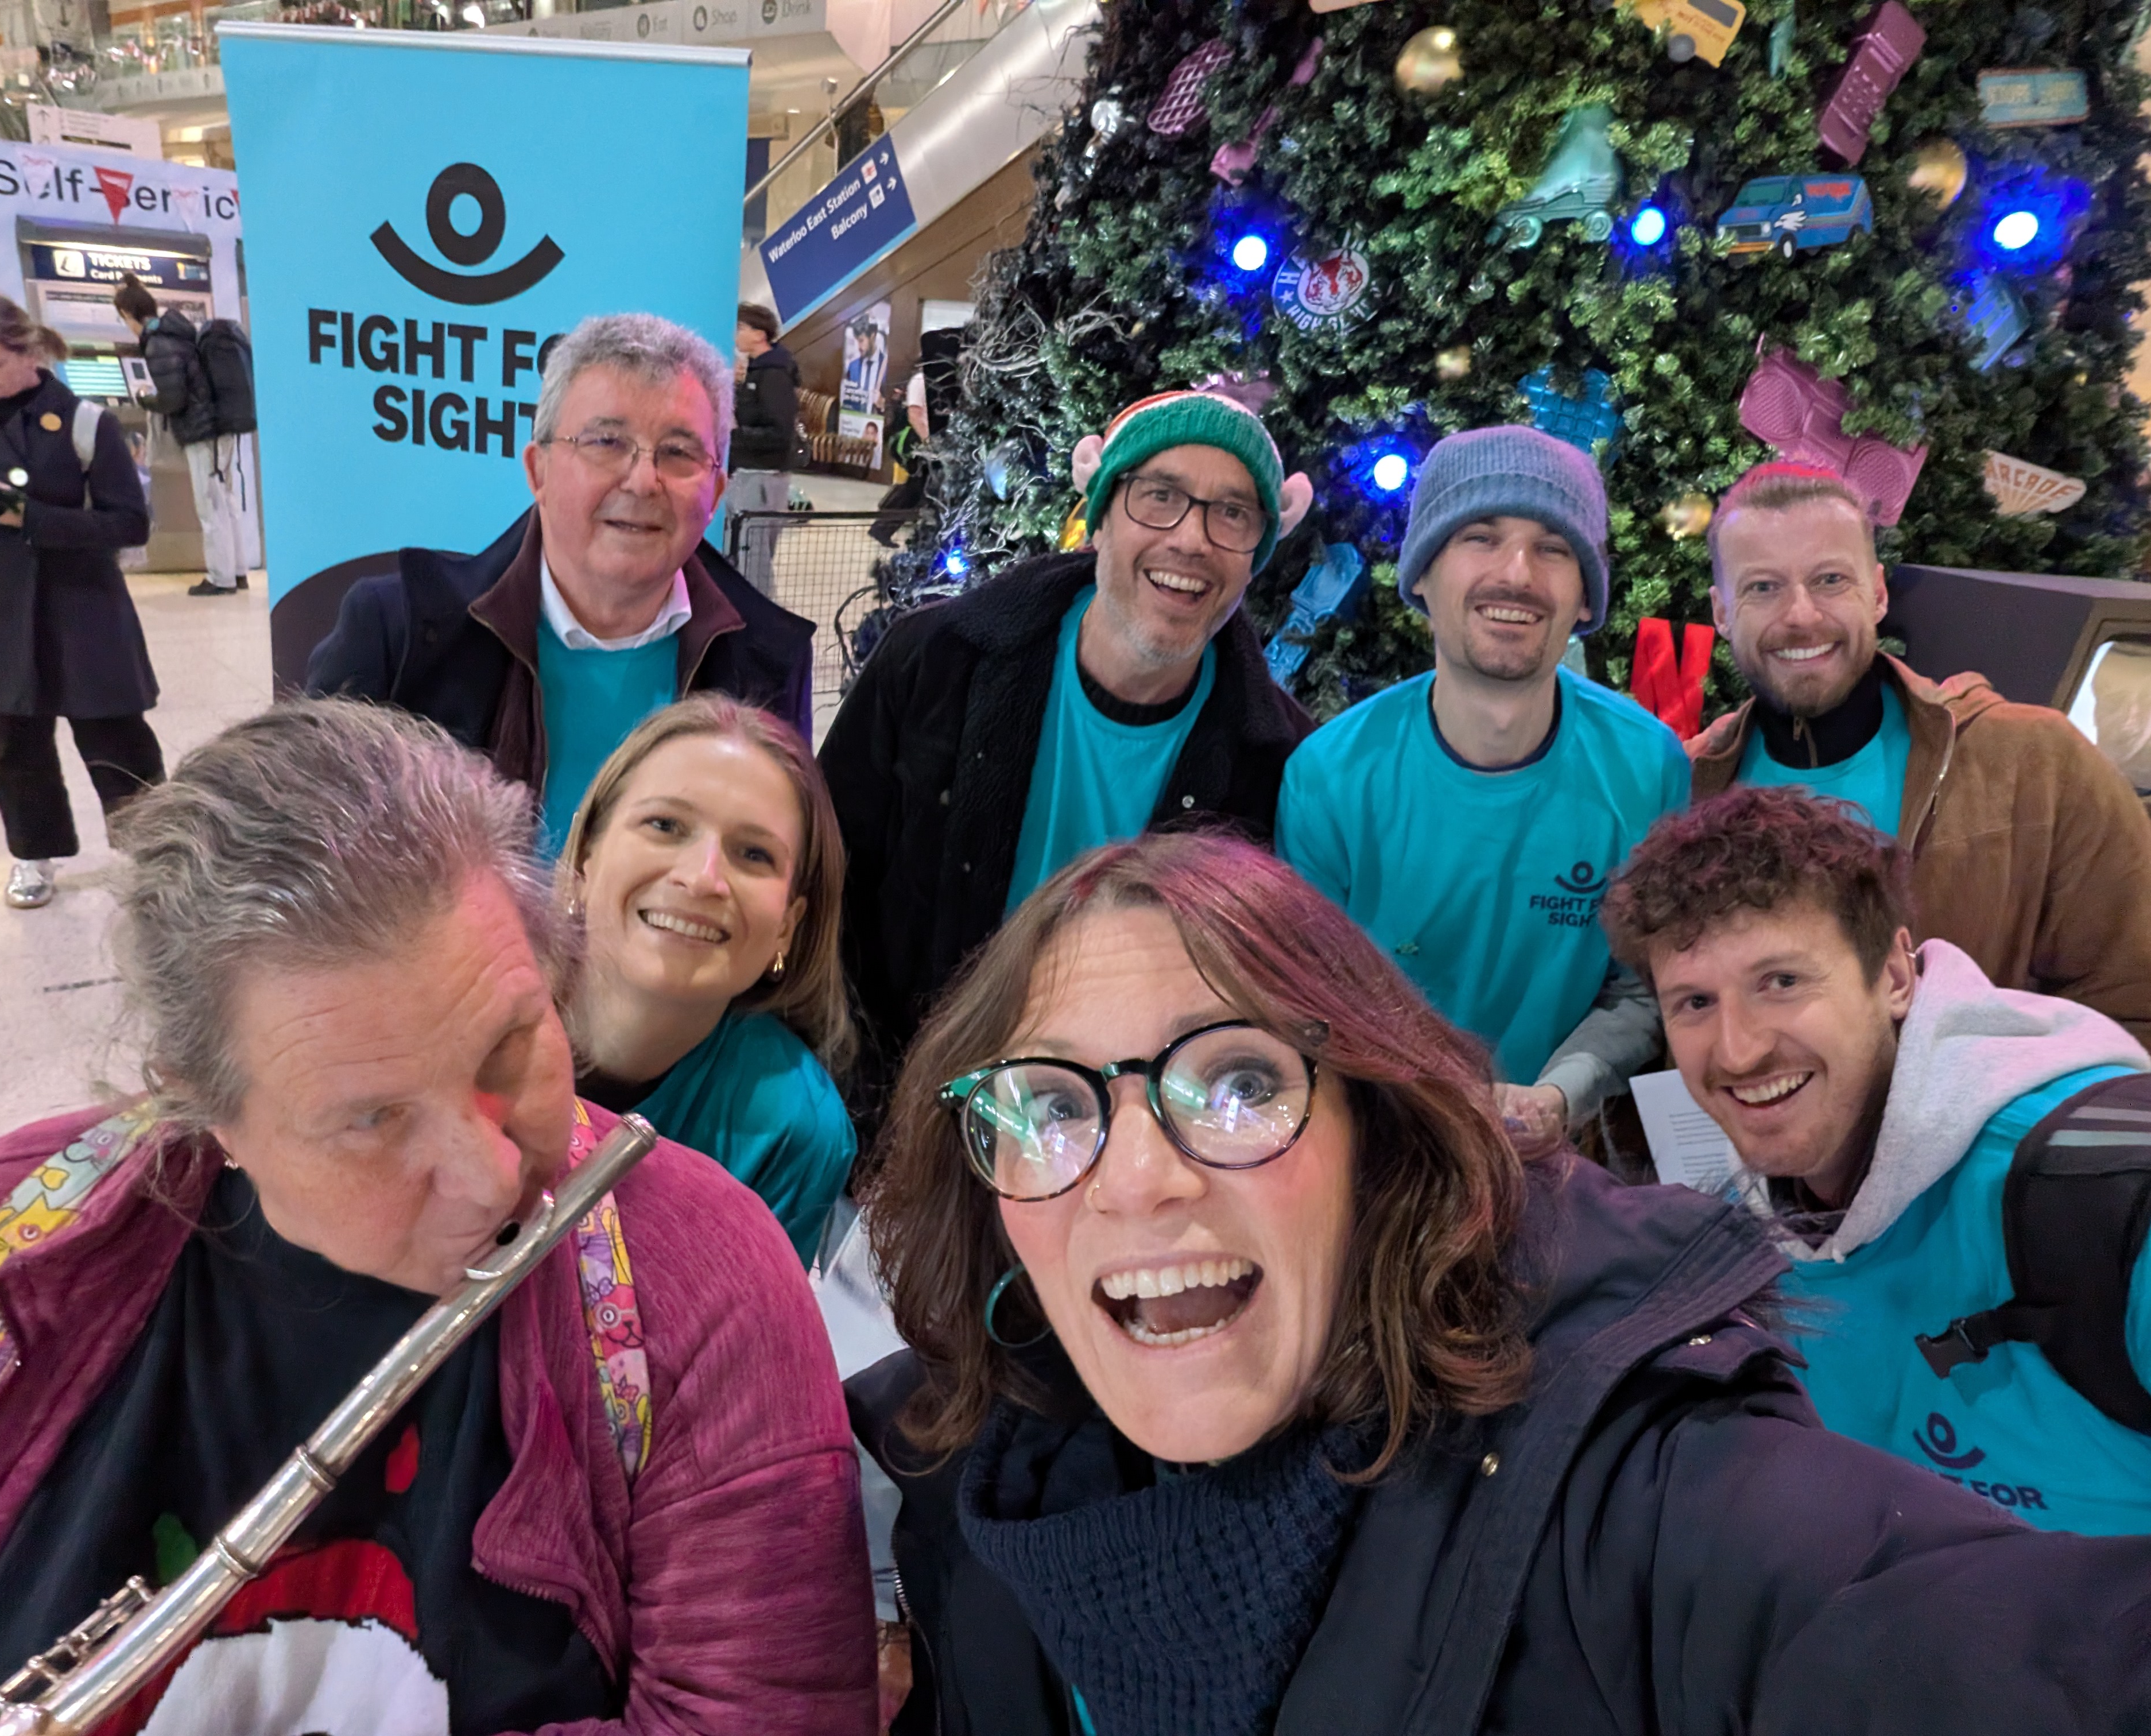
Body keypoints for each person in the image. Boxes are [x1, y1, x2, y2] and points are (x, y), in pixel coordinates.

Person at [850, 831, 2151, 1735]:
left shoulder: (1618, 1496)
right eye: (1045, 1106)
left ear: (1380, 1142)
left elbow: (1925, 1632)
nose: (1135, 1180)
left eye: (1240, 1084)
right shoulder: (965, 1487)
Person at [0, 699, 875, 1736]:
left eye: (511, 1046)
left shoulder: (701, 1282)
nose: (490, 1175)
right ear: (202, 1110)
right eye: (371, 1120)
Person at [1603, 785, 2151, 1533]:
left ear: (1894, 977)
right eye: (1695, 1003)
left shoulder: (2112, 1191)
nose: (1736, 1050)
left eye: (1782, 982)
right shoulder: (1743, 1228)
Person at [819, 388, 1316, 1110]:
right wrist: (856, 1101)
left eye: (1232, 514)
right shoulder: (938, 661)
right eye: (1159, 496)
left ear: (1256, 556)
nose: (1192, 539)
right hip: (905, 1105)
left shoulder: (1276, 759)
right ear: (1101, 518)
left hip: (1120, 1138)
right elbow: (829, 882)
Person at [1277, 425, 1687, 1157]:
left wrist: (1558, 1096)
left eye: (1555, 548)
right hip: (1384, 1151)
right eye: (1481, 537)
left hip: (1564, 1161)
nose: (1519, 574)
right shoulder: (1329, 779)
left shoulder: (1647, 765)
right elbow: (1310, 1013)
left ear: (1586, 599)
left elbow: (1638, 992)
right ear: (1422, 576)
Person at [307, 312, 816, 857]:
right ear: (539, 471)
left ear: (715, 491)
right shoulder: (399, 635)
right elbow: (296, 865)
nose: (644, 481)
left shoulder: (770, 662)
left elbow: (780, 868)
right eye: (606, 441)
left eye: (678, 452)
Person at [1693, 460, 2151, 1043]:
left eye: (1831, 580)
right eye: (1764, 587)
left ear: (1878, 592)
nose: (1802, 616)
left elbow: (2134, 1004)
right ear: (1723, 613)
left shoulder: (2036, 763)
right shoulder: (1689, 786)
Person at [560, 696, 858, 1262]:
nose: (702, 879)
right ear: (586, 859)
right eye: (665, 825)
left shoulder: (798, 1129)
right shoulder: (464, 1020)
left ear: (787, 929)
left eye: (753, 854)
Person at [0, 293, 162, 912]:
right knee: (11, 740)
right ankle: (32, 852)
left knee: (115, 734)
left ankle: (156, 853)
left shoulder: (83, 423)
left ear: (29, 353)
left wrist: (32, 517)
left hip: (81, 601)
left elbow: (128, 524)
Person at [113, 273, 245, 598]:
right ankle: (236, 571)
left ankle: (220, 578)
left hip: (203, 432)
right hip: (220, 429)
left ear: (128, 315)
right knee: (225, 501)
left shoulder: (159, 343)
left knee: (210, 505)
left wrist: (144, 397)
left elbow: (174, 398)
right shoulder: (178, 334)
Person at [727, 304, 803, 596]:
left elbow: (779, 431)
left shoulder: (773, 376)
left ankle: (760, 625)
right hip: (752, 472)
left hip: (762, 476)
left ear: (760, 335)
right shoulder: (758, 372)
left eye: (741, 328)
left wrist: (737, 434)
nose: (736, 334)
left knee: (753, 562)